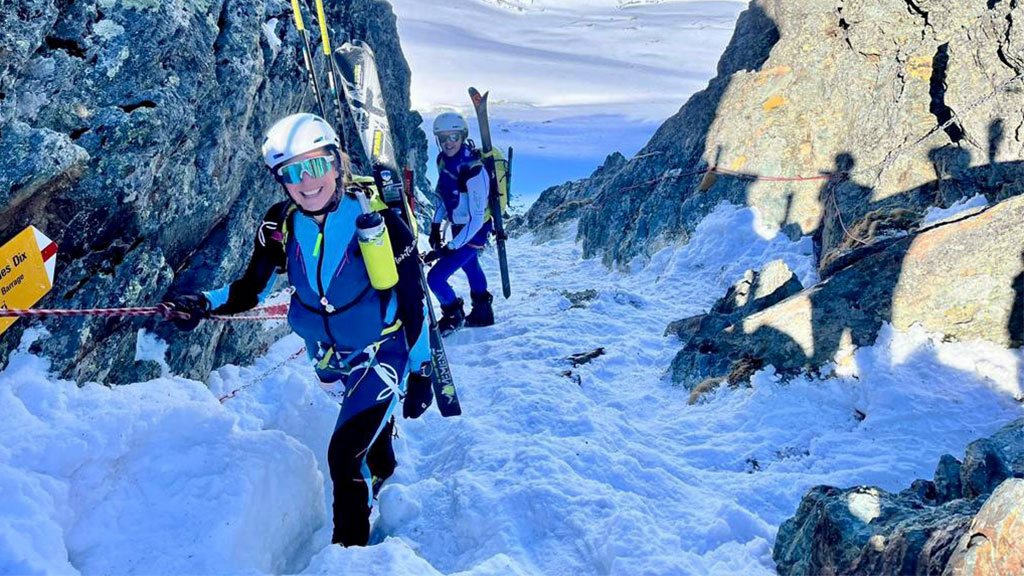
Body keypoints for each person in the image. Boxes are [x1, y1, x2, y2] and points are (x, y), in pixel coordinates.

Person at [159, 113, 432, 547]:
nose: (306, 183)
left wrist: (421, 371)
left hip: (382, 353)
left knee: (343, 456)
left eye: (314, 165)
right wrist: (202, 304)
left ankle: (350, 556)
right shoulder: (280, 225)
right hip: (327, 358)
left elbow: (414, 302)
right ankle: (384, 464)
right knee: (362, 430)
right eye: (291, 173)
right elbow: (250, 289)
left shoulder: (381, 224)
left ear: (336, 162)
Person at [424, 112, 495, 335]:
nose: (448, 143)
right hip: (458, 227)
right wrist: (436, 227)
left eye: (453, 137)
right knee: (470, 266)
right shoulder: (443, 161)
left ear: (462, 136)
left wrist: (449, 248)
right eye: (443, 138)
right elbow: (445, 197)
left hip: (473, 233)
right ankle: (483, 313)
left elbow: (475, 219)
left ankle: (453, 313)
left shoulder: (474, 171)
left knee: (435, 278)